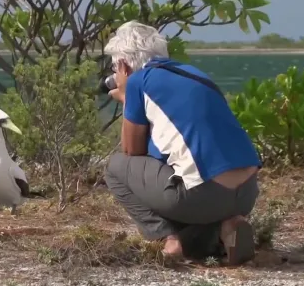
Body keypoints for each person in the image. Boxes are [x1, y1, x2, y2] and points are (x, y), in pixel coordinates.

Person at [102, 20, 261, 265]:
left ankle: (166, 239)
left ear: (123, 65)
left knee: (115, 167)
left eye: (115, 67)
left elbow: (132, 150)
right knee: (196, 226)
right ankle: (229, 225)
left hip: (203, 196)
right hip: (247, 193)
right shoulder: (197, 75)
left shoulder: (137, 81)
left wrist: (126, 98)